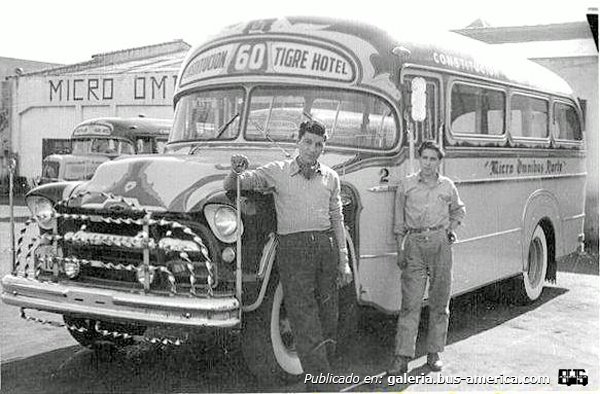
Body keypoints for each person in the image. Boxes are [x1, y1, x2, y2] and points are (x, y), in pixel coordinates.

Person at [223, 119, 352, 389]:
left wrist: (344, 259)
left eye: (318, 144)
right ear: (298, 142)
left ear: (323, 147)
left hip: (326, 246)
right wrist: (235, 171)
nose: (312, 149)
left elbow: (337, 218)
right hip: (294, 249)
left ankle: (321, 372)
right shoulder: (277, 171)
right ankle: (319, 381)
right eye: (307, 142)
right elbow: (238, 184)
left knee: (329, 313)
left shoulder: (331, 177)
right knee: (303, 315)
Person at [390, 140, 466, 374]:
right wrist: (400, 249)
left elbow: (459, 210)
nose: (428, 163)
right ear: (419, 159)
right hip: (414, 245)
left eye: (433, 159)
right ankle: (402, 357)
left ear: (439, 162)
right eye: (425, 158)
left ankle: (434, 353)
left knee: (439, 302)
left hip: (440, 245)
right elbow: (398, 223)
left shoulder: (447, 186)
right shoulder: (406, 185)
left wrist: (450, 230)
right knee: (410, 304)